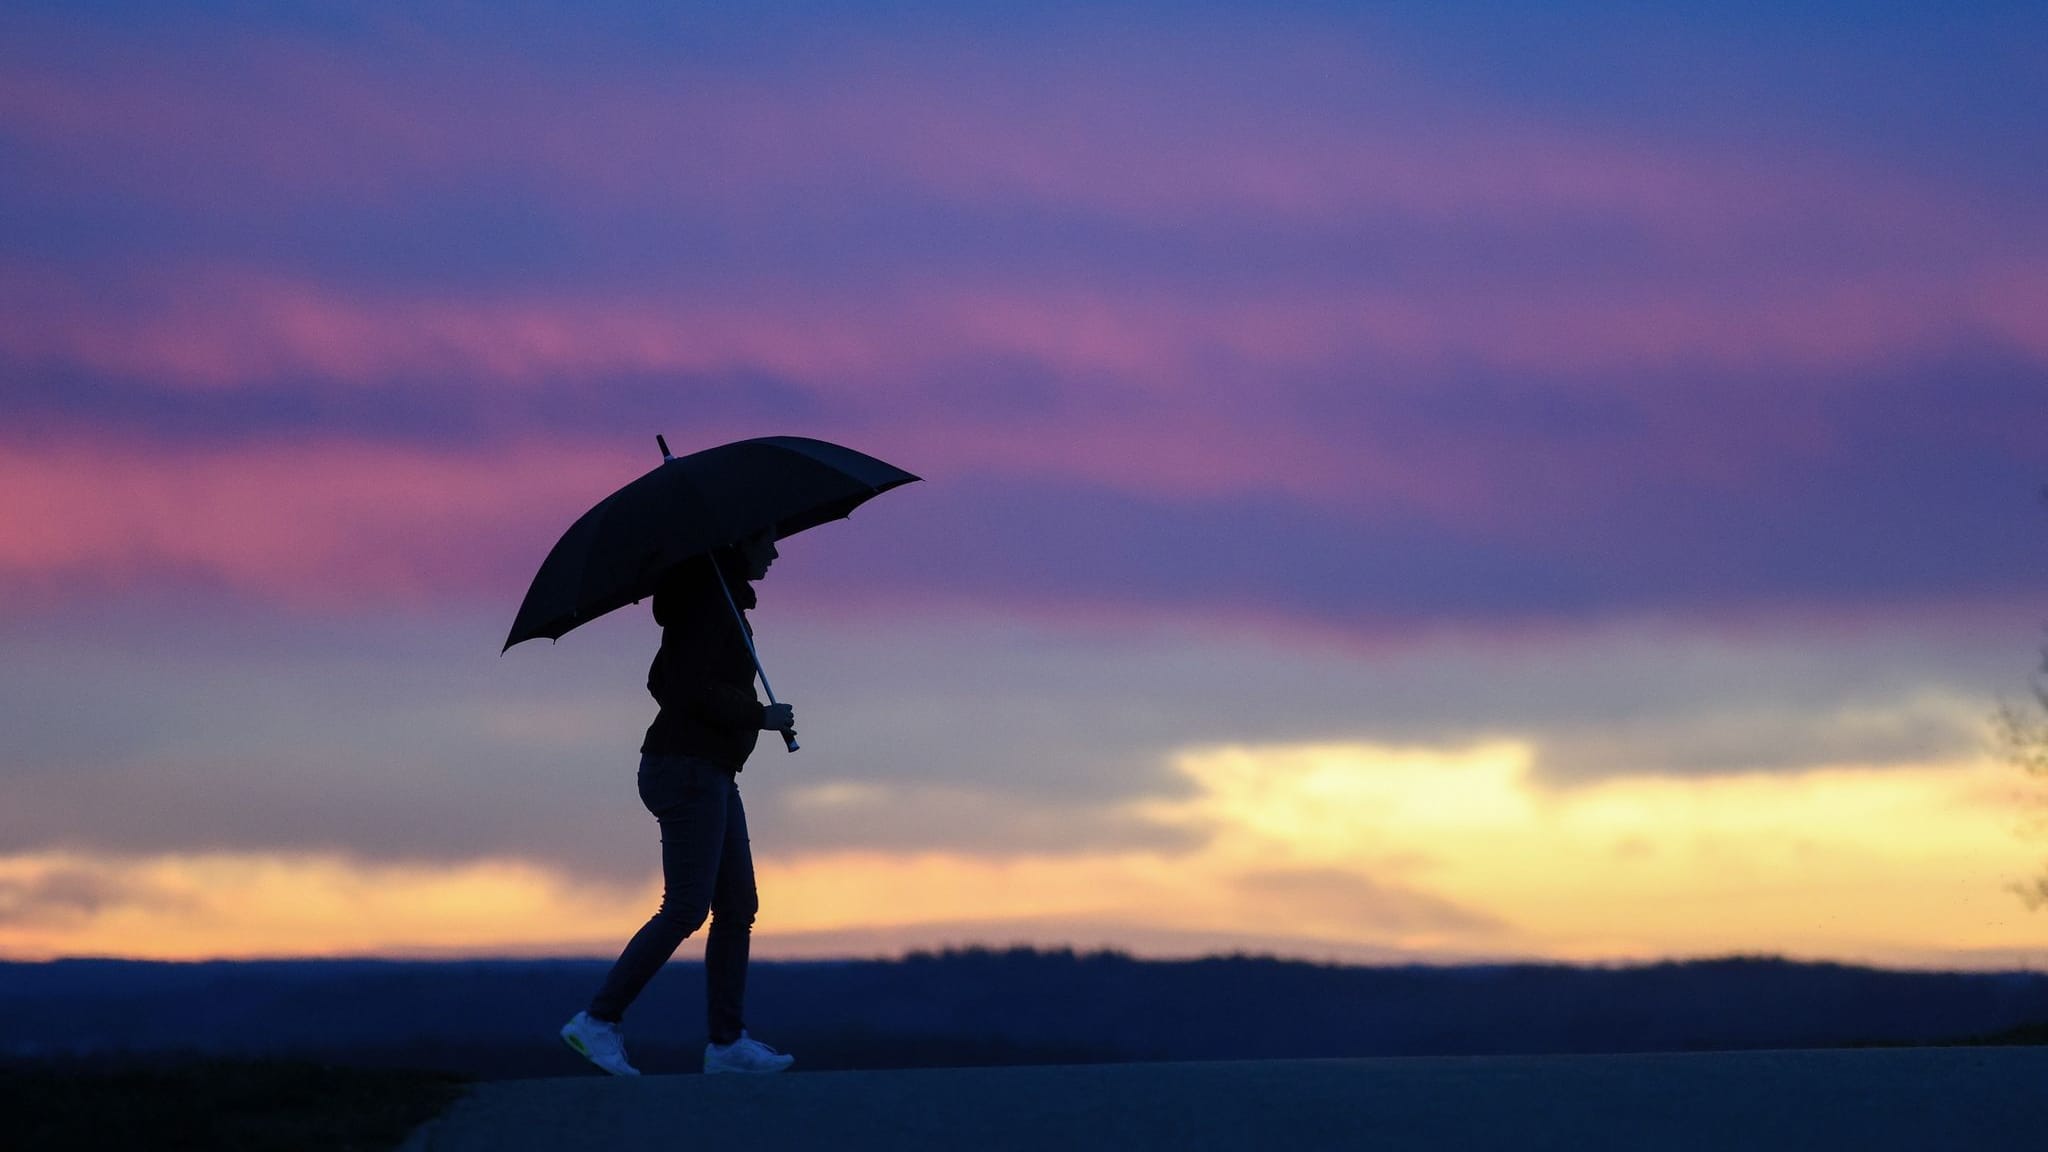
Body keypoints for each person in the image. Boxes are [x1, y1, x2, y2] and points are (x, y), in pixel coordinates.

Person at [560, 527, 797, 1076]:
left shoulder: (714, 606)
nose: (776, 550)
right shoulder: (709, 607)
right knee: (688, 907)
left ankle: (727, 1043)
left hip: (706, 769)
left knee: (737, 906)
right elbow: (686, 689)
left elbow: (661, 680)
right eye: (767, 540)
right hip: (685, 769)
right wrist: (757, 715)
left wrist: (744, 711)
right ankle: (597, 1021)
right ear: (739, 545)